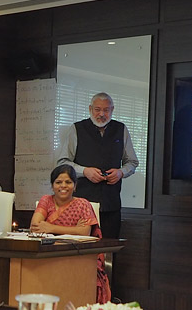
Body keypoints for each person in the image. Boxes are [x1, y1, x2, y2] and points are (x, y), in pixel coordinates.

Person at [57, 92, 139, 239]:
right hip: (81, 205)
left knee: (109, 252)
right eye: (97, 109)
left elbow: (132, 162)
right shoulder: (77, 129)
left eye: (106, 110)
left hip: (111, 204)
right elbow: (63, 162)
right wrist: (85, 171)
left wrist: (121, 172)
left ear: (112, 110)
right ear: (90, 109)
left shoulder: (121, 129)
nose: (102, 114)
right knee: (81, 250)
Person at [30, 164, 110, 303]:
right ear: (52, 185)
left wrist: (50, 228)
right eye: (58, 182)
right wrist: (74, 229)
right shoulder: (46, 200)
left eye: (68, 182)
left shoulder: (82, 204)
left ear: (75, 185)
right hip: (49, 254)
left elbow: (84, 233)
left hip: (79, 255)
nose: (63, 186)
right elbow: (35, 226)